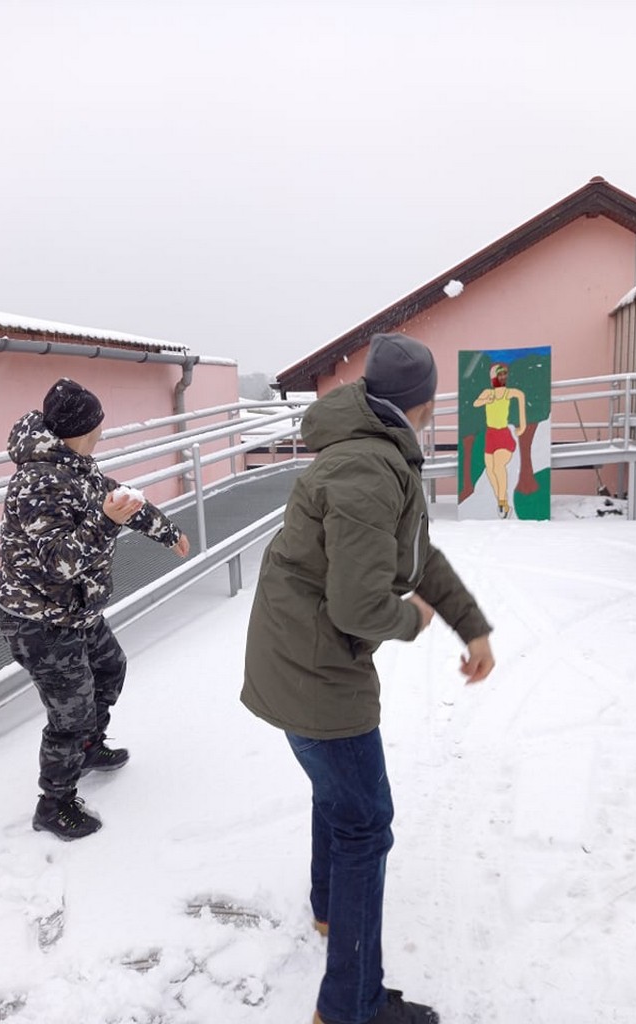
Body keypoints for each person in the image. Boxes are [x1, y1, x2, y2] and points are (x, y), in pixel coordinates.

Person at [241, 334, 495, 1024]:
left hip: (300, 658)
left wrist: (470, 624)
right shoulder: (369, 469)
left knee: (340, 798)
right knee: (365, 825)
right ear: (425, 403)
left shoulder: (373, 452)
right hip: (315, 671)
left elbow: (417, 553)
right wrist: (413, 619)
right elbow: (359, 608)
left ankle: (330, 909)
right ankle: (351, 1007)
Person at [0, 378, 190, 841]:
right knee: (71, 713)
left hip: (76, 611)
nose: (103, 429)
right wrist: (105, 522)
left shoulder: (76, 464)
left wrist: (167, 532)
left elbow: (122, 501)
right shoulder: (39, 482)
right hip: (38, 620)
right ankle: (54, 804)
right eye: (98, 423)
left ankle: (87, 746)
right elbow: (59, 563)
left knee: (109, 669)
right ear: (82, 429)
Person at [473, 362, 526, 518]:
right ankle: (503, 503)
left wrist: (522, 426)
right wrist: (486, 400)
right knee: (490, 470)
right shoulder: (487, 393)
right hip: (490, 436)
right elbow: (476, 403)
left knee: (498, 466)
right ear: (494, 377)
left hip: (503, 435)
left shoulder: (509, 393)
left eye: (504, 374)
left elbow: (521, 396)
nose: (503, 377)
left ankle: (502, 503)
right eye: (500, 374)